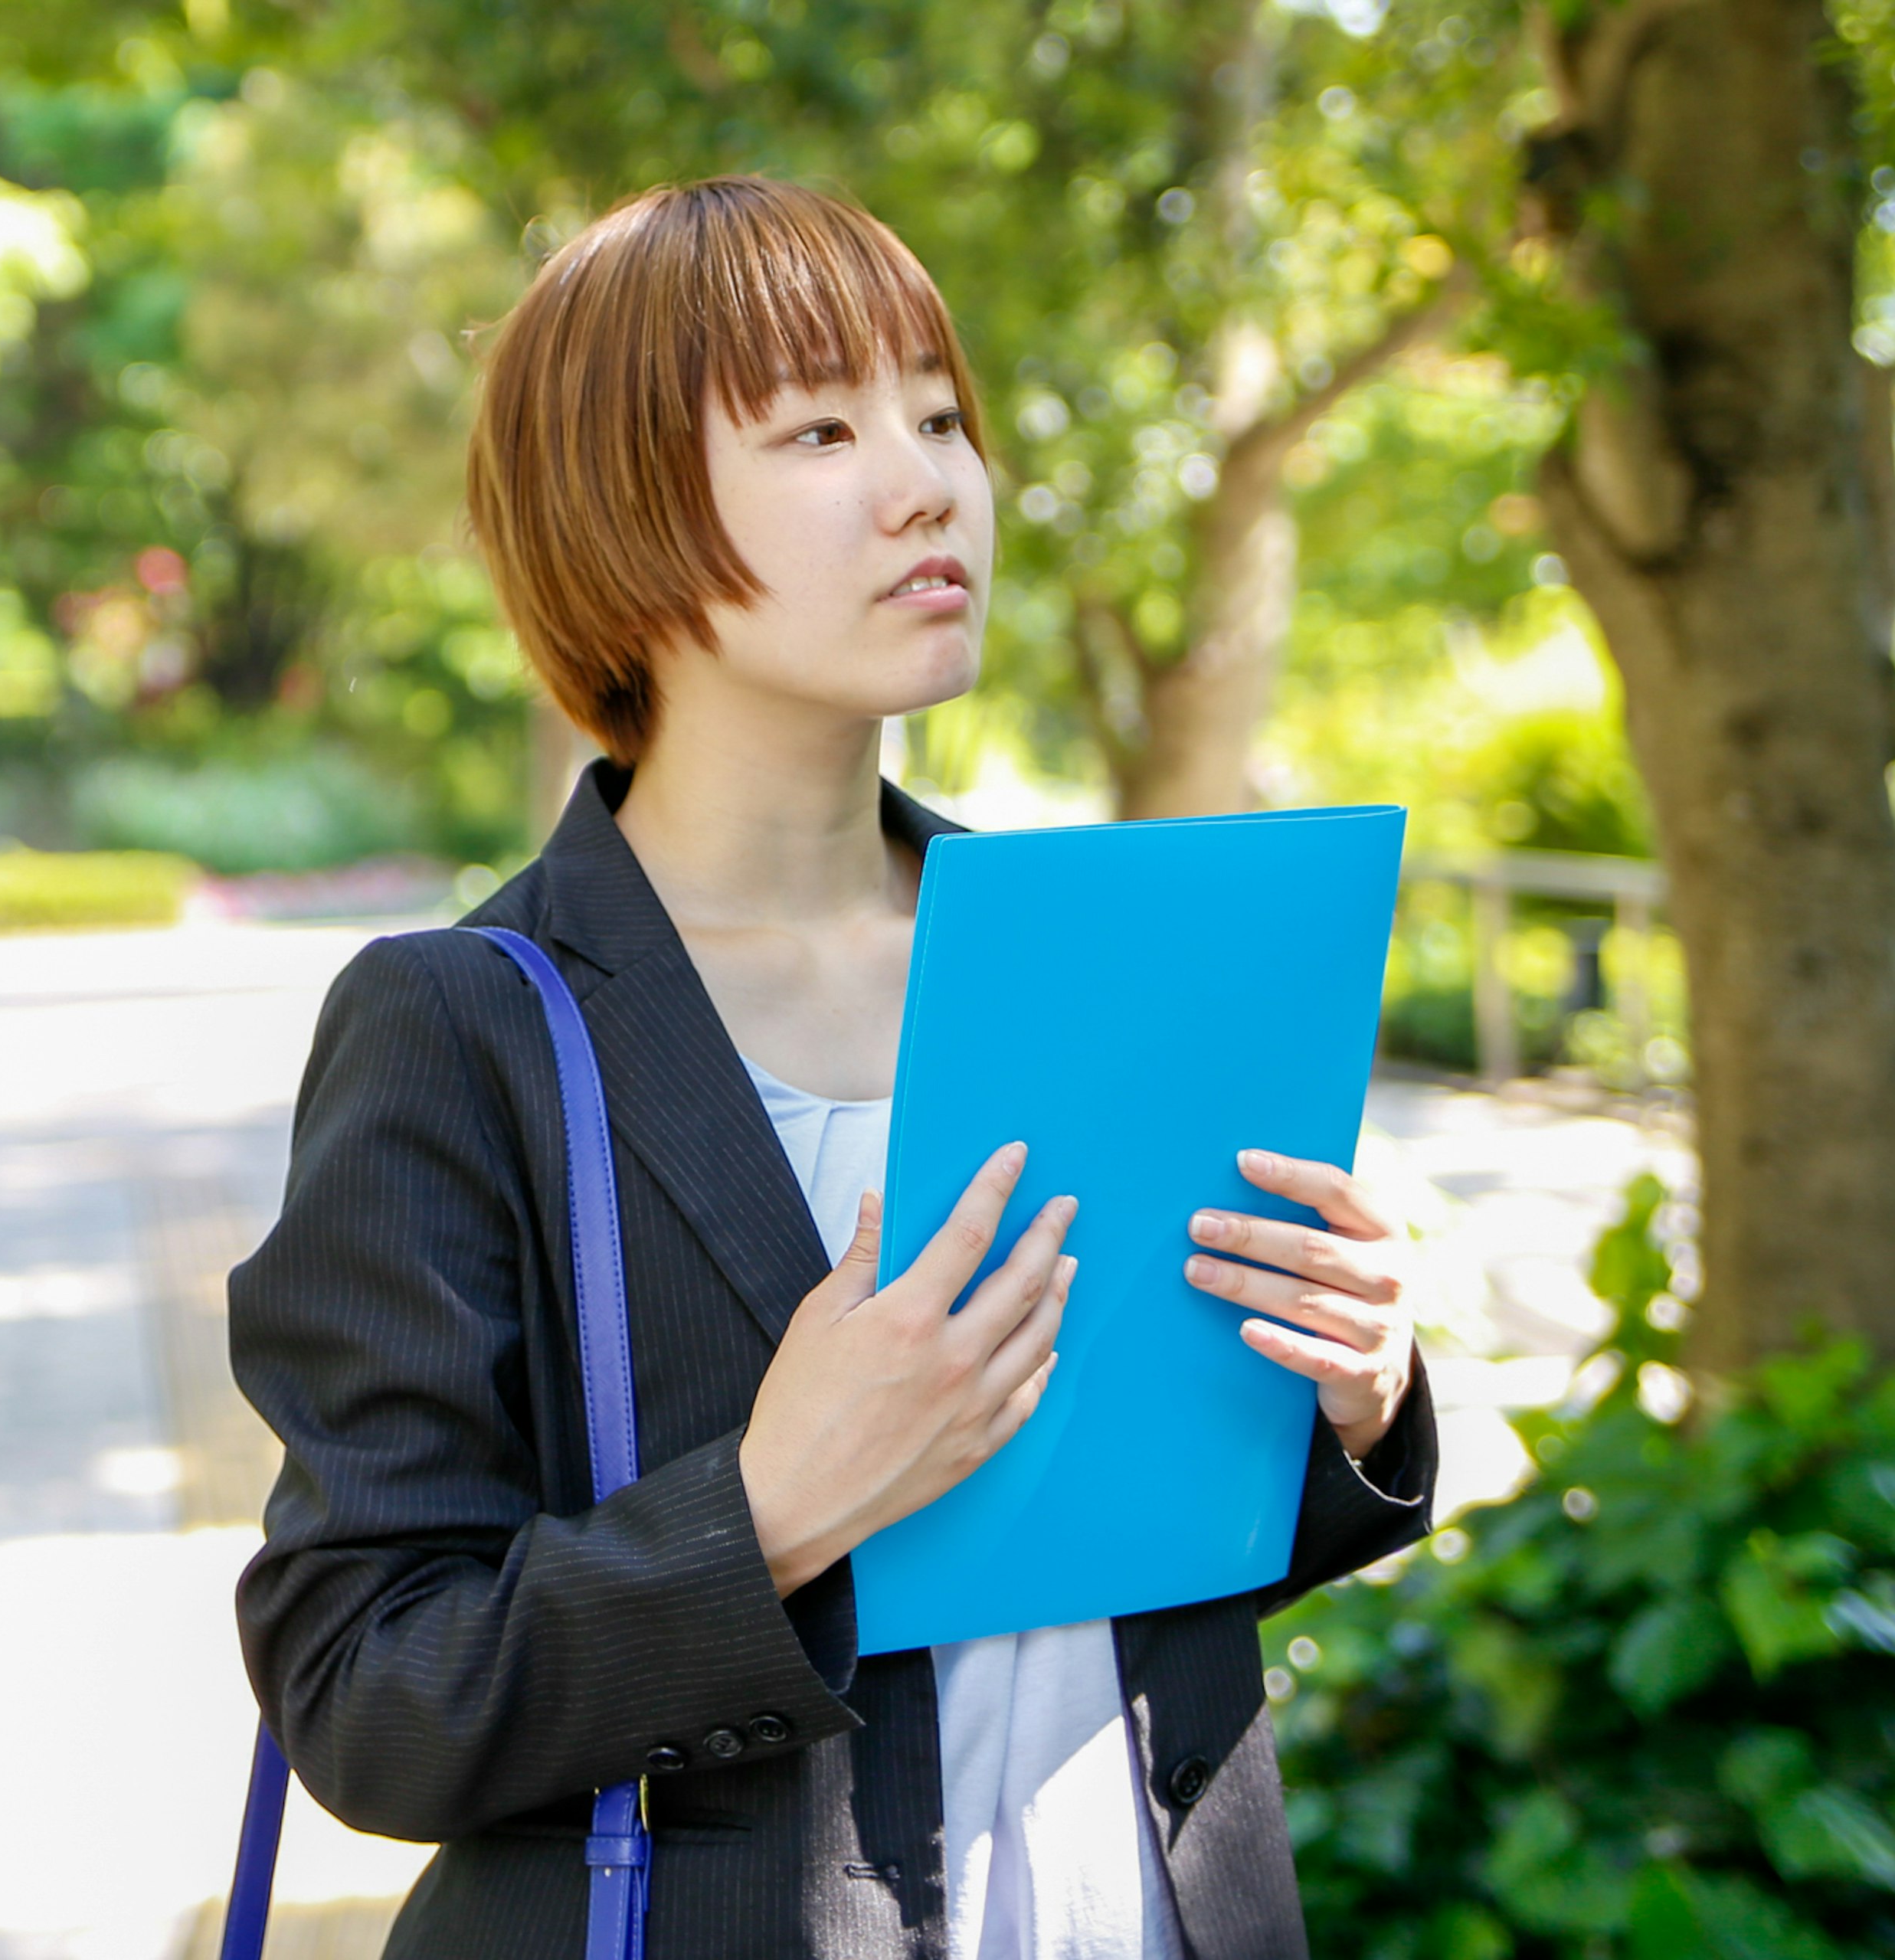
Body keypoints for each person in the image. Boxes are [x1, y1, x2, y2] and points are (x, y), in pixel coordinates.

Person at [229, 175, 1435, 1960]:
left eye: (941, 415)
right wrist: (772, 1506)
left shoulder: (1103, 953)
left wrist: (1358, 1382)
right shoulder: (465, 1020)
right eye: (820, 425)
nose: (926, 480)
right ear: (617, 508)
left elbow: (1156, 1537)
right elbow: (367, 1686)